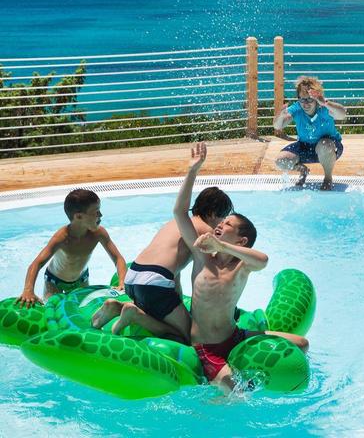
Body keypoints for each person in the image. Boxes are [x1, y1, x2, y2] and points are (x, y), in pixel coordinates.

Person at [175, 142, 309, 392]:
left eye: (227, 225)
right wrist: (193, 171)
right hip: (206, 346)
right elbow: (179, 213)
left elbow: (263, 260)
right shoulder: (202, 257)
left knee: (302, 344)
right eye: (221, 221)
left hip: (235, 337)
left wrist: (223, 247)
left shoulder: (242, 266)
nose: (219, 225)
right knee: (236, 390)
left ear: (241, 241)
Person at [91, 185, 233, 342]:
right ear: (213, 213)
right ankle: (134, 314)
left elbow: (175, 274)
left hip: (134, 276)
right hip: (154, 282)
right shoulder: (206, 231)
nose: (221, 225)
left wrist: (176, 305)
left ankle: (116, 308)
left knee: (160, 311)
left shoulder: (176, 223)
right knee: (187, 336)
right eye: (223, 218)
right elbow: (202, 275)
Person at [17, 189, 127, 308]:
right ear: (79, 216)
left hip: (82, 279)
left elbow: (118, 259)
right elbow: (36, 264)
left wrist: (122, 281)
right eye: (96, 212)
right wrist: (28, 290)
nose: (100, 215)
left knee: (85, 310)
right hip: (55, 282)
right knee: (51, 309)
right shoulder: (62, 238)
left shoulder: (99, 233)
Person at [274, 75, 347, 191]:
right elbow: (278, 126)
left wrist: (325, 103)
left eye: (309, 99)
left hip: (330, 148)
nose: (305, 104)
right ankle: (303, 170)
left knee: (325, 144)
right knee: (281, 161)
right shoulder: (297, 108)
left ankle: (328, 178)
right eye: (302, 99)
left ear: (317, 98)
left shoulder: (324, 108)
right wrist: (280, 116)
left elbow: (342, 114)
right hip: (305, 146)